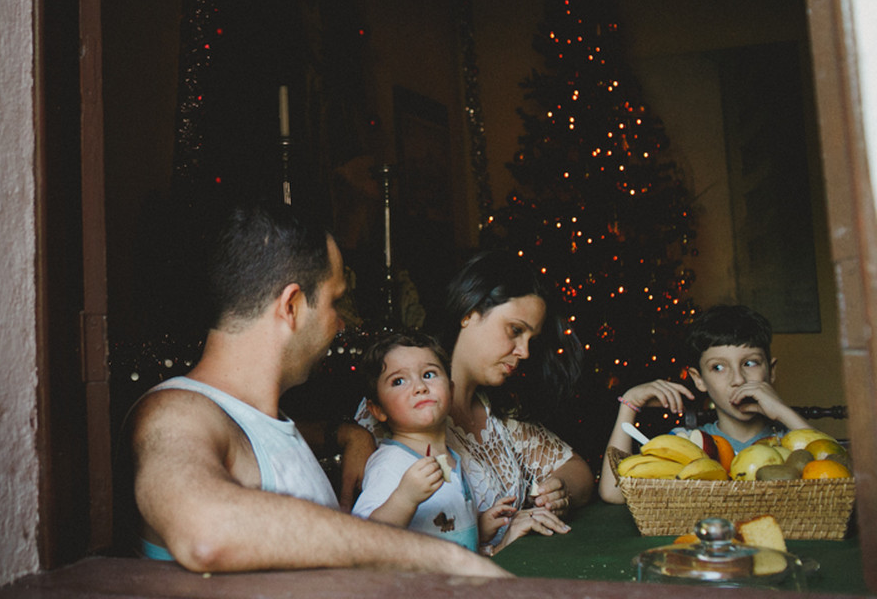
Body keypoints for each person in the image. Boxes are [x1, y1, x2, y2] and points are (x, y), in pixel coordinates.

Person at [126, 202, 510, 577]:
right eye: (335, 302)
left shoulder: (261, 419)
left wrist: (348, 434)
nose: (341, 324)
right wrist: (440, 556)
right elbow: (205, 530)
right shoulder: (174, 413)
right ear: (291, 305)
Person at [352, 250, 594, 554]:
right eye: (515, 330)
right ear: (469, 312)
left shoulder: (502, 414)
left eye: (530, 339)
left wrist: (556, 493)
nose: (524, 352)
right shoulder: (396, 413)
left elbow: (579, 473)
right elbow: (366, 538)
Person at [599, 304, 814, 503]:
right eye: (718, 367)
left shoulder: (791, 441)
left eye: (750, 363)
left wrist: (782, 411)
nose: (738, 379)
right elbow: (613, 492)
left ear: (771, 371)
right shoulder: (686, 443)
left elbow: (830, 474)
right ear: (698, 379)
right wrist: (628, 405)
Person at [352, 330, 499, 551]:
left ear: (450, 391)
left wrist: (479, 529)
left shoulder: (452, 457)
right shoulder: (389, 464)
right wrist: (404, 499)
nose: (420, 387)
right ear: (378, 409)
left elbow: (445, 531)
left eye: (429, 374)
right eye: (398, 381)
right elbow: (364, 539)